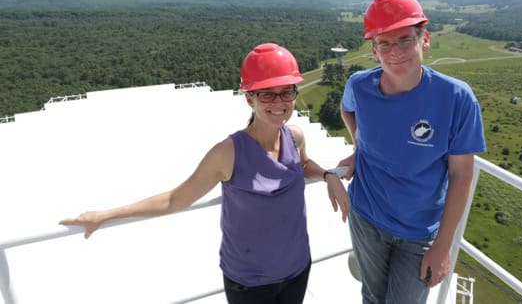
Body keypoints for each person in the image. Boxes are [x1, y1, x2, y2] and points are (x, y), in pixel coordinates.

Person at [60, 42, 351, 304]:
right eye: (267, 94)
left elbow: (302, 164)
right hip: (250, 284)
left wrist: (328, 175)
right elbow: (174, 199)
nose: (279, 103)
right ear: (249, 98)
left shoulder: (295, 136)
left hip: (298, 267)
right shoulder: (227, 153)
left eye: (286, 92)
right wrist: (105, 215)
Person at [338, 0, 486, 304]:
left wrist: (443, 246)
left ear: (425, 39)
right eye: (385, 43)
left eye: (405, 39)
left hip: (418, 230)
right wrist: (359, 147)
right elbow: (347, 110)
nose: (396, 52)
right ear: (374, 51)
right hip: (365, 216)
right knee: (372, 295)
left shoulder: (456, 98)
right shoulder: (359, 86)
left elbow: (461, 176)